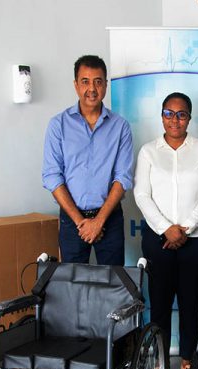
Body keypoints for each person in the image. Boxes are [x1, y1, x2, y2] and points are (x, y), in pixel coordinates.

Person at [134, 92, 198, 369]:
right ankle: (158, 360)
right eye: (169, 113)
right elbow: (141, 194)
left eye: (181, 114)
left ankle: (187, 358)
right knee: (158, 302)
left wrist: (186, 228)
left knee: (190, 302)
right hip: (158, 240)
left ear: (189, 118)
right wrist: (165, 228)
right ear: (161, 116)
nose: (175, 120)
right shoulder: (148, 151)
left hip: (195, 241)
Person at [42, 55, 134, 265]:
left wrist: (99, 221)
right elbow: (52, 176)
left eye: (98, 81)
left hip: (109, 220)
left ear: (106, 85)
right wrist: (82, 222)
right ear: (76, 85)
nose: (92, 88)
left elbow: (123, 177)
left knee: (113, 289)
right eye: (85, 81)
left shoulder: (120, 127)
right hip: (71, 219)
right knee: (73, 288)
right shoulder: (58, 125)